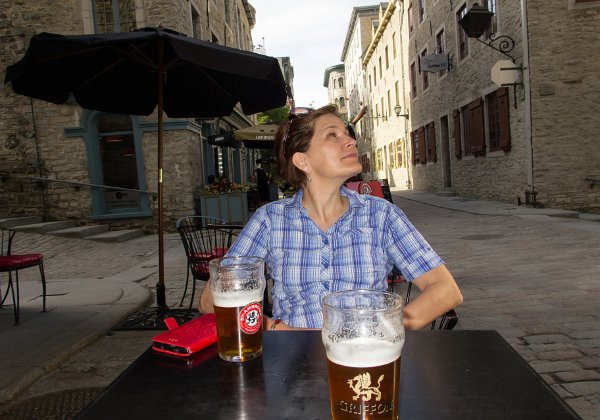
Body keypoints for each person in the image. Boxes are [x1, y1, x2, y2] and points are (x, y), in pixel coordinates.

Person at [200, 105, 462, 330]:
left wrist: (381, 329)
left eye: (347, 134)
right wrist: (270, 327)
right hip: (293, 359)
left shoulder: (381, 215)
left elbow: (445, 290)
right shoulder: (270, 220)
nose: (351, 141)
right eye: (332, 135)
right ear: (303, 161)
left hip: (362, 358)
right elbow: (210, 301)